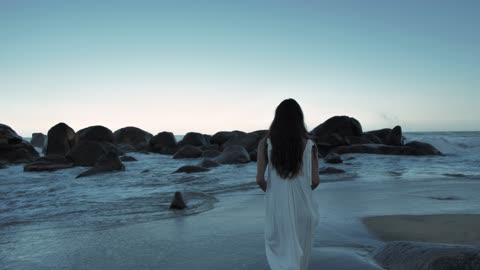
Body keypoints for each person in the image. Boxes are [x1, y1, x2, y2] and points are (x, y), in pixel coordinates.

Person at [256, 98, 320, 270]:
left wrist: (273, 192)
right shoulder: (310, 145)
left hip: (279, 209)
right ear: (299, 119)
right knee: (300, 262)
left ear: (277, 118)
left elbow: (260, 180)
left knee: (280, 257)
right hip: (304, 208)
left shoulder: (265, 144)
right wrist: (302, 192)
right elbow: (314, 181)